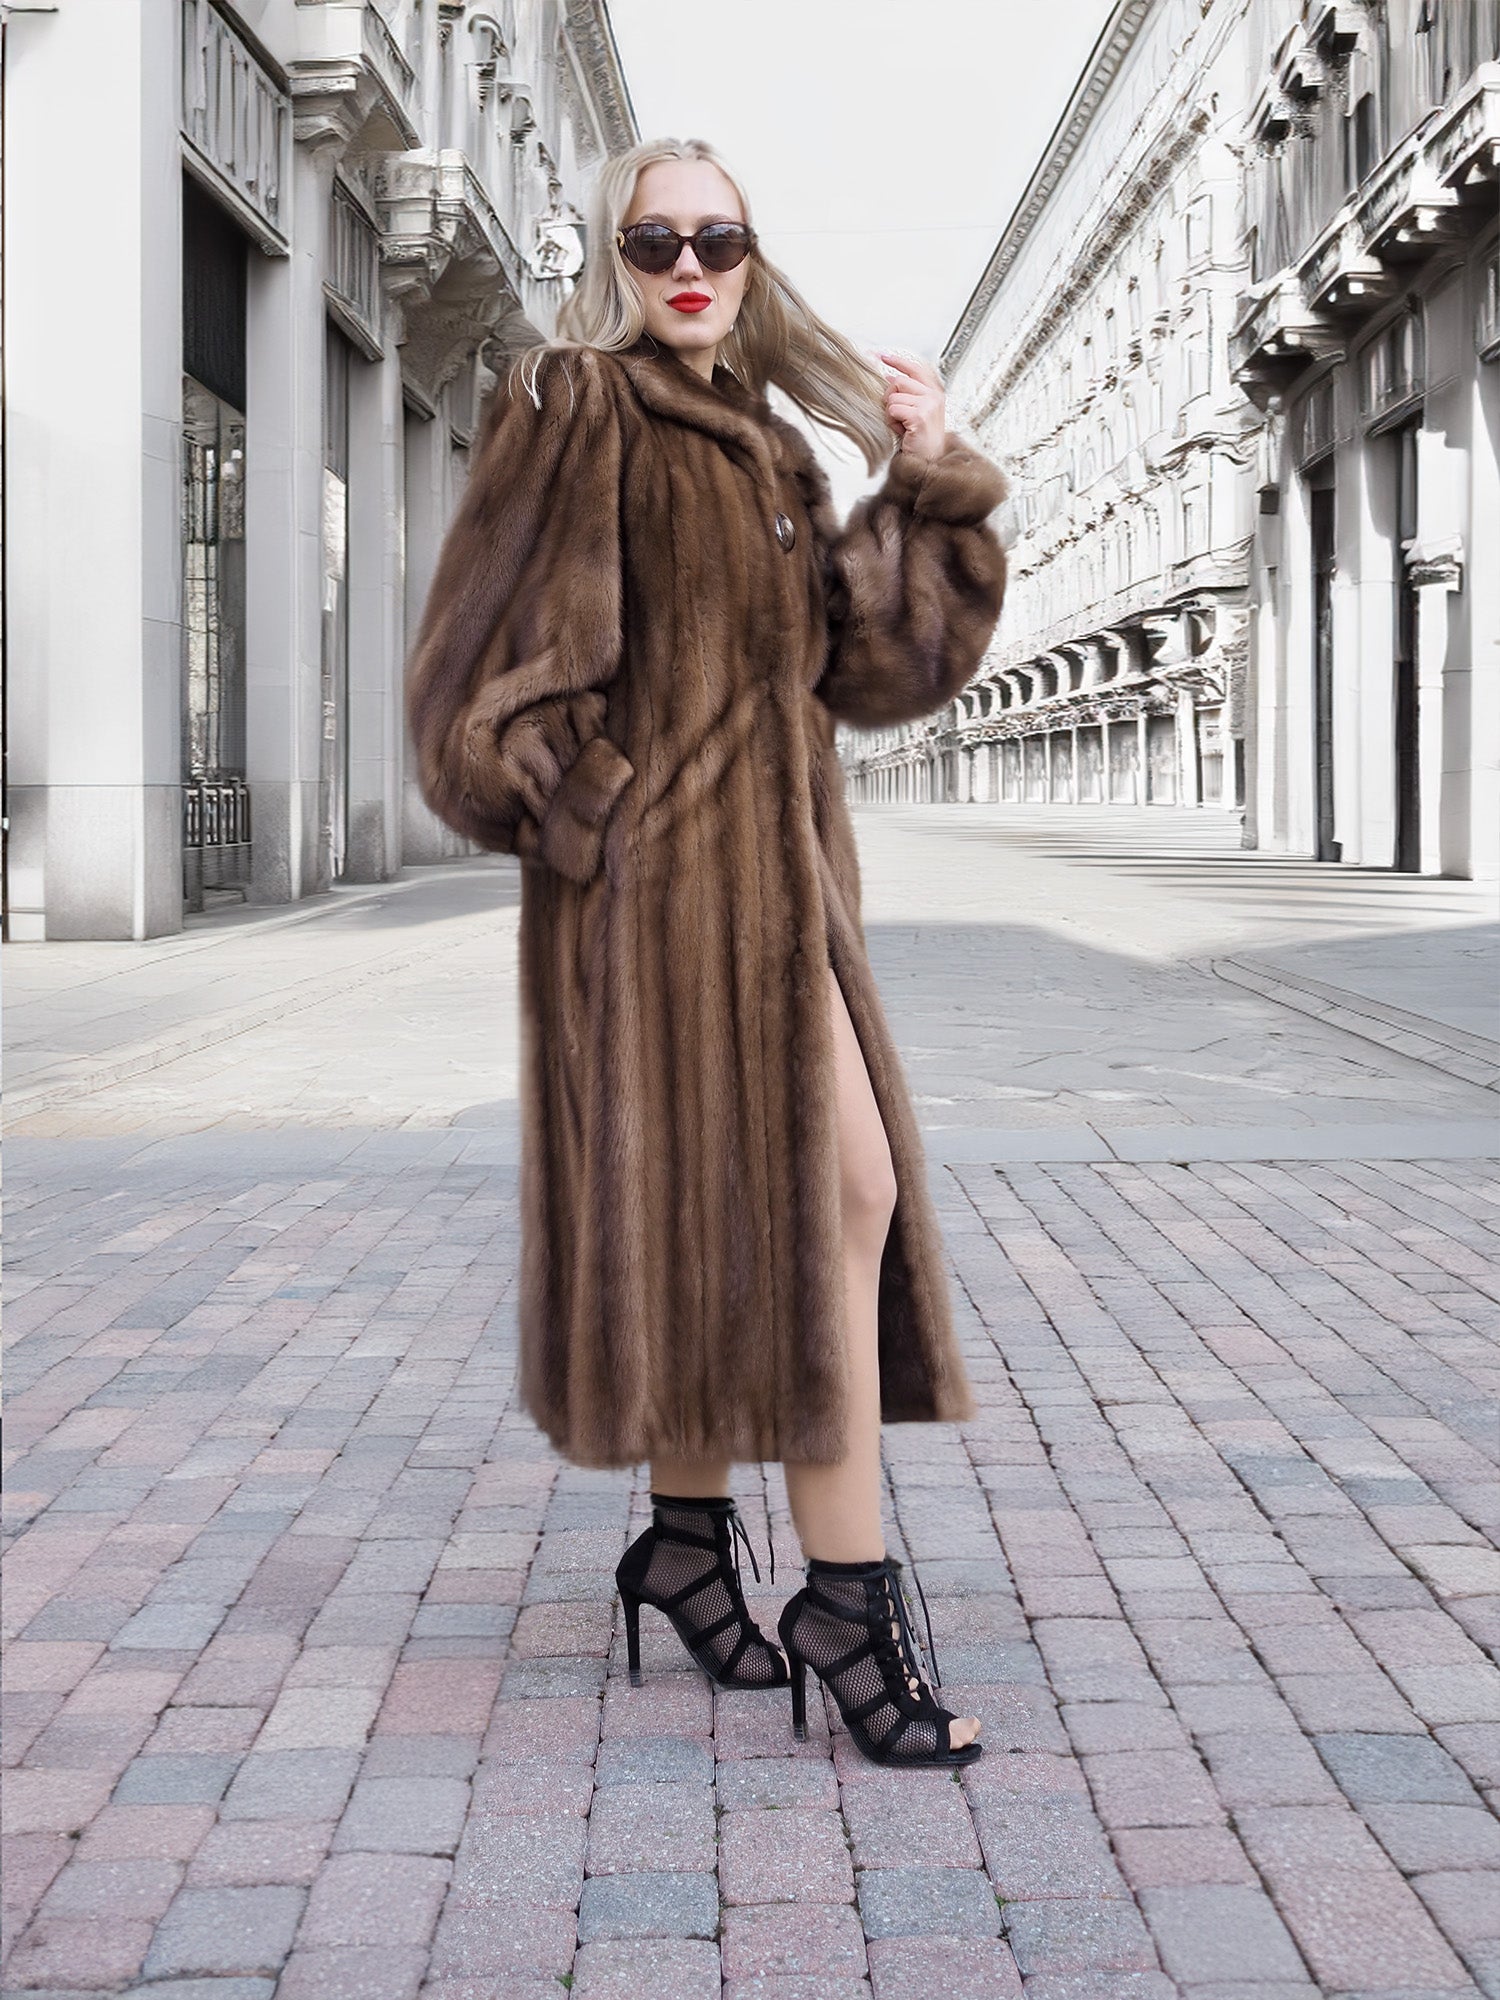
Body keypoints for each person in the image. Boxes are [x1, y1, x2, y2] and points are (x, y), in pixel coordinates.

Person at [406, 137, 1008, 1766]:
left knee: (776, 1212)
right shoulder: (570, 405)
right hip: (656, 915)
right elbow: (464, 695)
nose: (688, 262)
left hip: (786, 905)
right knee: (838, 1201)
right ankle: (849, 1601)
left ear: (752, 253)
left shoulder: (767, 445)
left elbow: (871, 674)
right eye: (653, 237)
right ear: (614, 253)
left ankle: (683, 1548)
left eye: (717, 236)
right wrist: (609, 819)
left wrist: (927, 476)